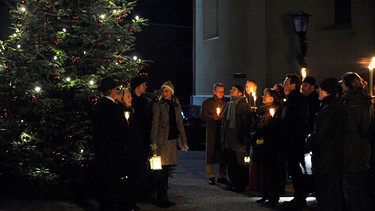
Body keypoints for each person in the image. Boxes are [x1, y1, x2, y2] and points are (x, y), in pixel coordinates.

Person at [93, 77, 135, 210]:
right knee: (113, 182)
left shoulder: (100, 106)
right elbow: (118, 130)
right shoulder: (111, 107)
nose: (117, 91)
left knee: (107, 182)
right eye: (116, 89)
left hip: (104, 150)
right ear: (112, 92)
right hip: (114, 151)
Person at [305, 77, 347, 211]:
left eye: (320, 89)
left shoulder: (328, 110)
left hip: (325, 158)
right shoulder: (340, 108)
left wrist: (308, 139)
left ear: (325, 91)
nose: (318, 92)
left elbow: (320, 135)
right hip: (336, 156)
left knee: (325, 194)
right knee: (334, 193)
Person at [150, 80, 189, 208]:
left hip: (171, 141)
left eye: (167, 91)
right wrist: (153, 142)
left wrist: (184, 141)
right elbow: (155, 124)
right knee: (159, 171)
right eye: (163, 91)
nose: (164, 93)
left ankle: (165, 197)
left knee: (166, 171)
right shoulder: (158, 106)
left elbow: (179, 125)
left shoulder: (176, 106)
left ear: (171, 92)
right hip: (161, 141)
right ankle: (160, 198)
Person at [340, 72, 374, 211]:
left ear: (348, 86)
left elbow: (348, 132)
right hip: (365, 149)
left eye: (343, 83)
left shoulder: (349, 103)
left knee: (351, 189)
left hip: (351, 150)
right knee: (362, 188)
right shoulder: (367, 102)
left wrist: (344, 155)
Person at [280, 74, 310, 209]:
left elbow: (294, 121)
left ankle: (300, 199)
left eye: (286, 83)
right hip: (292, 140)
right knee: (295, 170)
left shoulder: (296, 100)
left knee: (297, 170)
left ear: (293, 85)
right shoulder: (293, 99)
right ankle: (298, 197)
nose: (284, 85)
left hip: (294, 141)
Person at [250, 88, 283, 204]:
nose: (263, 97)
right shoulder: (263, 111)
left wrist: (257, 133)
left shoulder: (274, 110)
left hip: (269, 145)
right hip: (261, 145)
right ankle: (265, 193)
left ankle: (273, 195)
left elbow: (270, 128)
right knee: (263, 170)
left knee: (270, 171)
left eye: (265, 95)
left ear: (272, 98)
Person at [117, 87, 147, 208]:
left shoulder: (131, 111)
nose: (131, 98)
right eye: (128, 97)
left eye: (130, 96)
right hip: (128, 150)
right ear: (122, 99)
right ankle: (127, 202)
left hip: (135, 149)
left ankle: (132, 200)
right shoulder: (121, 112)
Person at [220, 84, 252, 192]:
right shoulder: (229, 104)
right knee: (231, 162)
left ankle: (241, 184)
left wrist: (244, 138)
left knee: (240, 163)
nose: (230, 90)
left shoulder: (243, 105)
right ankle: (233, 182)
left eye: (233, 89)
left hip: (238, 140)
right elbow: (224, 122)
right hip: (229, 139)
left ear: (239, 93)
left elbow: (246, 122)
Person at [130, 76, 154, 202]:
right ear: (138, 87)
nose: (146, 86)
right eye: (144, 84)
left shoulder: (144, 101)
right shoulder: (130, 101)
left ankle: (144, 191)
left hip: (144, 137)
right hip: (134, 138)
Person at [200, 82, 230, 185]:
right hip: (212, 129)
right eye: (219, 91)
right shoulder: (207, 103)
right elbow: (203, 116)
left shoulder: (227, 101)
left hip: (223, 130)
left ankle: (222, 175)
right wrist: (213, 118)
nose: (221, 93)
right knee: (211, 153)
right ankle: (211, 175)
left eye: (222, 91)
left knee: (223, 152)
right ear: (214, 91)